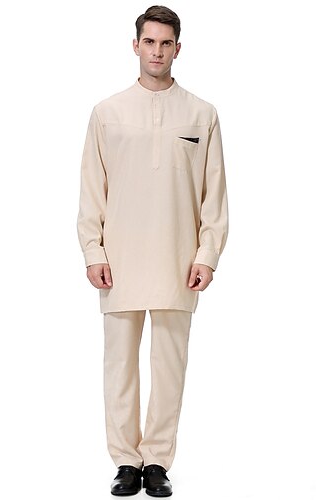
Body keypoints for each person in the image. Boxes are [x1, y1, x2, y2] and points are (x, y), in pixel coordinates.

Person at [77, 5, 228, 497]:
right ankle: (125, 460)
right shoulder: (108, 112)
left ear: (178, 49)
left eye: (166, 43)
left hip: (178, 259)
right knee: (119, 366)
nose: (157, 51)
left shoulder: (202, 114)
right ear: (135, 46)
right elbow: (92, 189)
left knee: (169, 367)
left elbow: (214, 193)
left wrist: (207, 254)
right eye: (149, 42)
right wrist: (93, 250)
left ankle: (157, 460)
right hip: (119, 259)